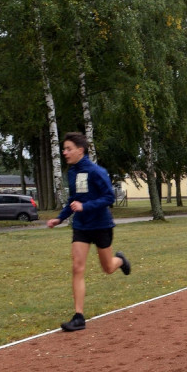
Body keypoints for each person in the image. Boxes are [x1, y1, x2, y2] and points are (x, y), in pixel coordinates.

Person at [47, 132, 130, 331]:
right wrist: (60, 218)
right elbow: (73, 200)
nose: (65, 153)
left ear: (80, 150)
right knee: (77, 267)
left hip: (101, 225)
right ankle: (79, 317)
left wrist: (87, 206)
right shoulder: (72, 173)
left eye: (68, 149)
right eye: (64, 149)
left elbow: (109, 197)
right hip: (81, 227)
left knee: (108, 268)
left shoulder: (96, 171)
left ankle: (120, 261)